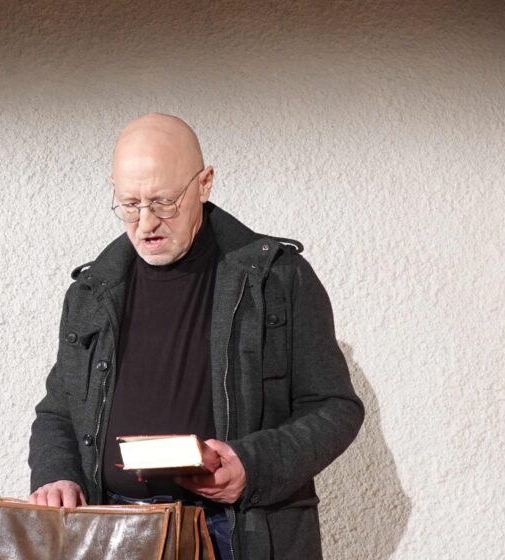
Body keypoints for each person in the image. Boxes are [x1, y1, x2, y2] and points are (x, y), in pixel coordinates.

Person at [28, 113, 364, 559]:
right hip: (113, 532)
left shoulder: (277, 279)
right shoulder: (91, 291)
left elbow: (335, 407)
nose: (146, 222)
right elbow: (58, 410)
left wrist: (253, 466)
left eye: (164, 202)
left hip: (236, 535)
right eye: (129, 204)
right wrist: (56, 475)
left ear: (204, 184)